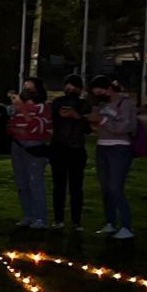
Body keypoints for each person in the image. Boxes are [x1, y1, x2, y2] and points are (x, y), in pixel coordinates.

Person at [89, 75, 137, 239]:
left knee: (115, 187)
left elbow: (125, 126)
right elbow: (97, 124)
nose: (99, 94)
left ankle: (126, 226)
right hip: (102, 146)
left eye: (100, 91)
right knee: (106, 188)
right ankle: (110, 222)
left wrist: (103, 121)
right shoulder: (102, 104)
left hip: (119, 147)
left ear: (109, 88)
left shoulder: (125, 104)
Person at [7, 78, 53, 230]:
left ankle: (40, 217)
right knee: (22, 182)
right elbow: (11, 126)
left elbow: (38, 127)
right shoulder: (18, 107)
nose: (25, 91)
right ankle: (28, 214)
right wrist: (18, 129)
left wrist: (24, 111)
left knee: (35, 182)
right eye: (24, 88)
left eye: (29, 89)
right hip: (18, 146)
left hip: (34, 147)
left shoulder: (42, 107)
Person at [47, 76, 90, 232]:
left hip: (76, 150)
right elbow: (52, 120)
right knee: (59, 186)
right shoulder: (57, 103)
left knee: (76, 187)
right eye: (68, 87)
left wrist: (77, 116)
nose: (70, 90)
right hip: (59, 149)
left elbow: (88, 127)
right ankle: (59, 219)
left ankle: (76, 221)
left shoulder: (84, 105)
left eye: (73, 87)